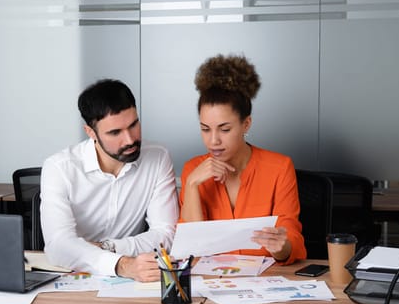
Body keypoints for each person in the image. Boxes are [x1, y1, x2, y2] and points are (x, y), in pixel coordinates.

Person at [40, 79, 179, 282]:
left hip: (134, 278)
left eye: (133, 125)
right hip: (76, 277)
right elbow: (58, 246)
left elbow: (167, 234)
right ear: (90, 132)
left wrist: (109, 247)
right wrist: (122, 264)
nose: (130, 139)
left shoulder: (157, 158)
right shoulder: (59, 168)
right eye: (115, 132)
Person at [179, 54, 307, 265]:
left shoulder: (279, 168)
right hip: (211, 285)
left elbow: (291, 236)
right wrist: (192, 184)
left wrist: (281, 247)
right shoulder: (193, 170)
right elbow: (191, 249)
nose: (213, 141)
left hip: (268, 282)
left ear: (246, 124)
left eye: (225, 129)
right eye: (205, 129)